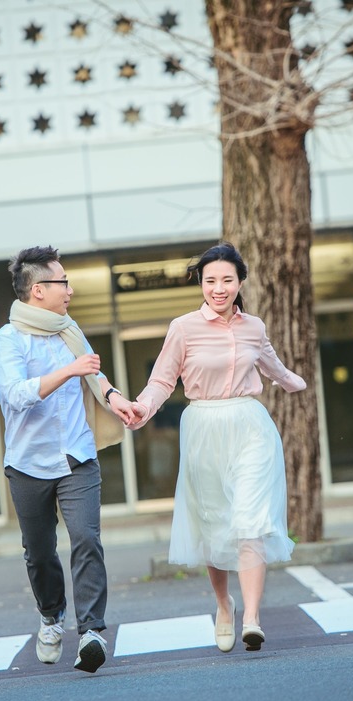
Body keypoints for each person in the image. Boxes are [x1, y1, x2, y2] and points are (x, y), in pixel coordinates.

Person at [126, 243, 306, 652]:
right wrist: (142, 408)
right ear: (201, 284)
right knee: (213, 523)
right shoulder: (183, 327)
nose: (219, 288)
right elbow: (162, 380)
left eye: (227, 280)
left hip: (249, 426)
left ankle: (253, 618)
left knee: (250, 519)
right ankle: (224, 604)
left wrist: (293, 381)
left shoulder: (253, 327)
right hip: (203, 427)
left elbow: (271, 365)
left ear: (240, 282)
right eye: (210, 281)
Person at [0, 245, 139, 673]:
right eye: (63, 282)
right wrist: (68, 372)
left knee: (87, 538)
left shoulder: (68, 330)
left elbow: (93, 373)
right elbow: (16, 397)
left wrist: (115, 399)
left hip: (76, 455)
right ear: (39, 290)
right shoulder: (7, 342)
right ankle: (51, 616)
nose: (69, 289)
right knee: (39, 553)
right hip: (27, 463)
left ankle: (91, 632)